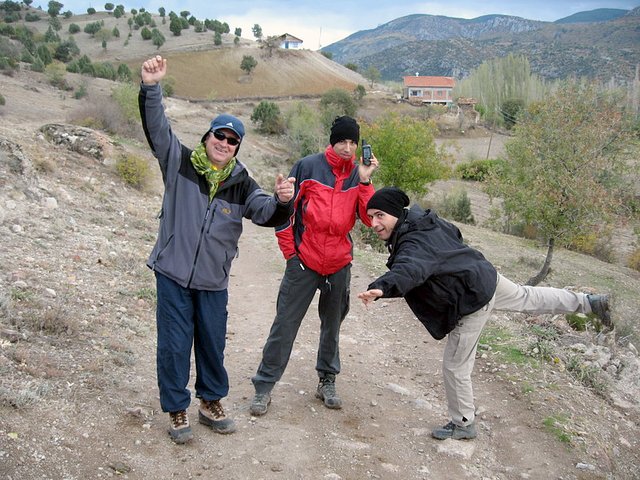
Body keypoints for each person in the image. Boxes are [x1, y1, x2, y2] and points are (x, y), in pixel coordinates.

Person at [357, 187, 611, 440]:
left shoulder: (414, 241)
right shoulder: (424, 221)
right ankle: (589, 303)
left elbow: (410, 268)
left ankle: (463, 424)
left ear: (395, 214)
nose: (374, 223)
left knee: (455, 367)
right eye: (371, 217)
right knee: (528, 296)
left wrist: (381, 287)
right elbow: (454, 234)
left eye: (380, 215)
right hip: (483, 275)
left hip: (469, 299)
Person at [139, 55, 296, 444]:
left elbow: (265, 212)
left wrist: (282, 201)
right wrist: (151, 87)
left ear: (237, 147)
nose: (224, 143)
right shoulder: (178, 162)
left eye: (232, 140)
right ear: (207, 136)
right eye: (219, 136)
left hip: (213, 280)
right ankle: (176, 407)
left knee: (211, 342)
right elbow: (157, 128)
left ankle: (210, 402)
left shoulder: (242, 183)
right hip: (173, 273)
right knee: (175, 345)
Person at [249, 115, 379, 416]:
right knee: (285, 325)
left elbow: (369, 217)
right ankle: (264, 387)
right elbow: (284, 213)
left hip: (338, 264)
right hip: (304, 262)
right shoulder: (308, 166)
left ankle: (327, 381)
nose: (347, 148)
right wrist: (291, 255)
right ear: (332, 141)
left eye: (352, 142)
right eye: (342, 141)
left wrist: (365, 181)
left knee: (332, 326)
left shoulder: (357, 175)